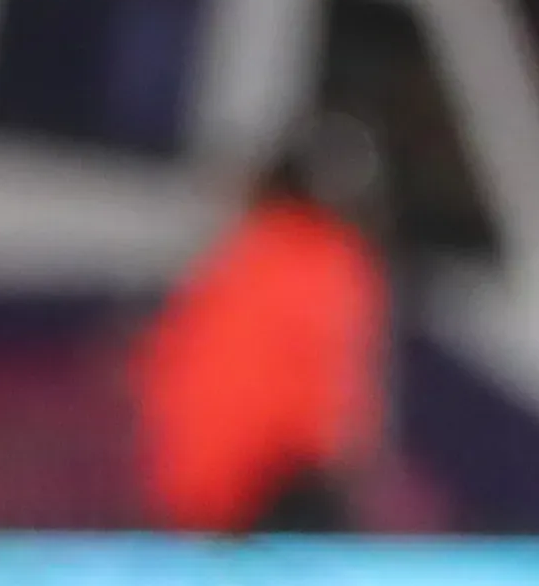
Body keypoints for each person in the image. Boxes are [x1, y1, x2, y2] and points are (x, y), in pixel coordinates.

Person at [134, 114, 390, 534]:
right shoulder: (328, 261)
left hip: (196, 493)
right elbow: (327, 404)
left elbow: (169, 373)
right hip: (269, 490)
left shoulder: (238, 255)